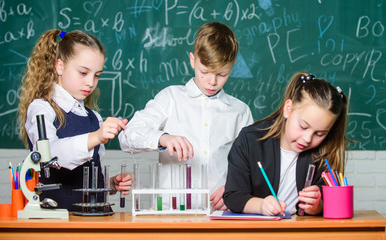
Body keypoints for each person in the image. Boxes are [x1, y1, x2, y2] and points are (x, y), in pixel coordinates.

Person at [118, 22, 253, 210]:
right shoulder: (170, 98)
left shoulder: (240, 111)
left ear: (234, 66)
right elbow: (126, 137)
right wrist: (162, 138)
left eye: (222, 74)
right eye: (204, 71)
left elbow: (252, 165)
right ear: (192, 60)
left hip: (220, 215)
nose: (212, 82)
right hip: (171, 215)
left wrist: (235, 188)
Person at [18, 29, 132, 211]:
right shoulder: (42, 108)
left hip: (97, 218)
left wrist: (110, 184)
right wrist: (96, 137)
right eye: (83, 73)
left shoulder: (93, 117)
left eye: (97, 75)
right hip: (62, 220)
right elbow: (51, 154)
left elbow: (92, 172)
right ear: (59, 66)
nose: (90, 83)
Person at [223, 72, 348, 216]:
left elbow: (331, 202)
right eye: (303, 126)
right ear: (288, 109)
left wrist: (317, 206)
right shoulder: (250, 139)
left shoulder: (326, 150)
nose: (307, 138)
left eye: (319, 134)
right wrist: (261, 205)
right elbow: (233, 196)